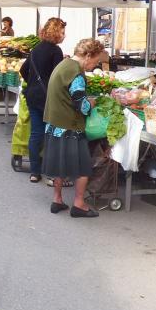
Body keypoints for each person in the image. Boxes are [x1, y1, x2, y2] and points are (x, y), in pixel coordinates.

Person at [42, 38, 109, 218]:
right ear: (88, 56)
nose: (94, 65)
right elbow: (82, 105)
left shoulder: (63, 65)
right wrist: (92, 103)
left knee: (59, 164)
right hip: (70, 127)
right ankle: (79, 204)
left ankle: (57, 199)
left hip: (54, 124)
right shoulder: (76, 74)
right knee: (82, 167)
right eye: (95, 61)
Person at [19, 17, 67, 183]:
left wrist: (33, 83)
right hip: (49, 99)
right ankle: (51, 172)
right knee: (52, 134)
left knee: (36, 134)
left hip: (33, 96)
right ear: (56, 32)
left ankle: (34, 172)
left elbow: (23, 69)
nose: (64, 35)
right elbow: (58, 77)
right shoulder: (56, 51)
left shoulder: (36, 49)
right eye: (62, 32)